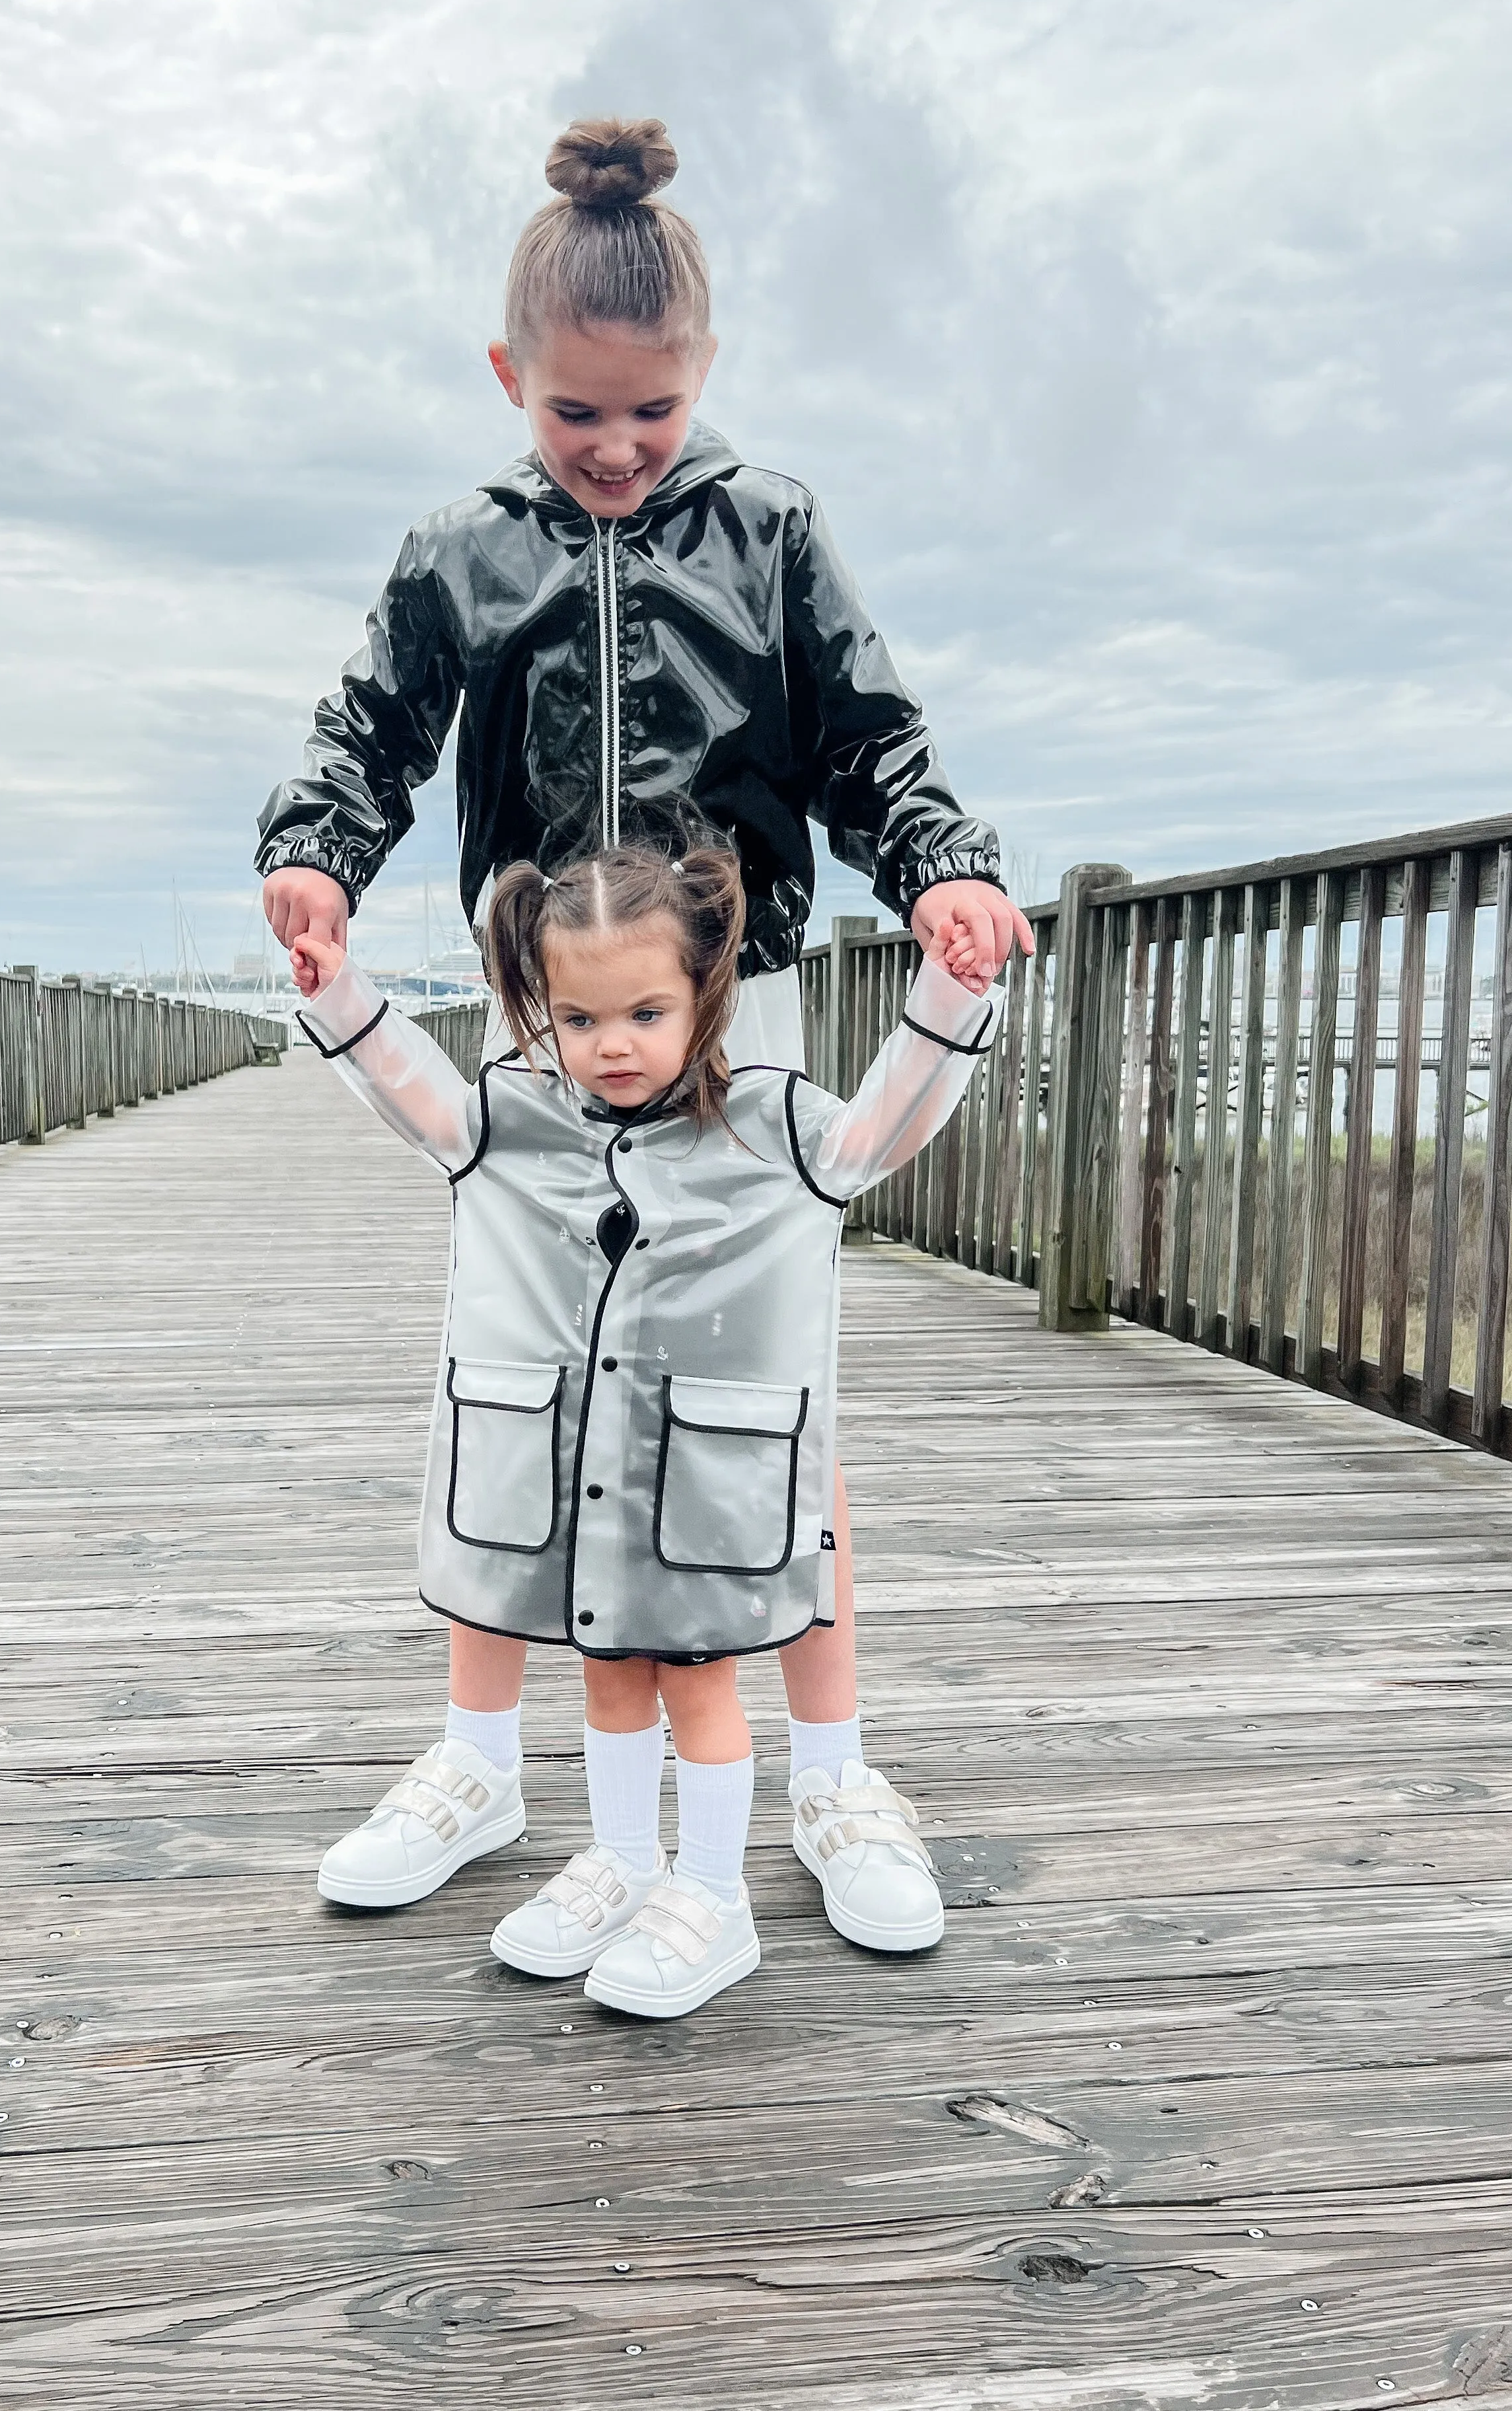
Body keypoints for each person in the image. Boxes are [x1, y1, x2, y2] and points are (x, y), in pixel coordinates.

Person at [258, 113, 1032, 1956]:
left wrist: (940, 868)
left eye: (650, 416)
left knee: (773, 1399)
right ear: (510, 376)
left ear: (702, 378)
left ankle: (829, 1767)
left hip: (728, 1001)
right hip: (538, 1016)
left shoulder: (769, 530)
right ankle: (479, 1755)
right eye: (573, 416)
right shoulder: (460, 551)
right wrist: (315, 857)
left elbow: (869, 741)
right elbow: (367, 729)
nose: (612, 452)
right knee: (514, 1383)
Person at [293, 840, 1001, 2015]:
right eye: (575, 1016)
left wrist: (950, 996)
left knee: (700, 1692)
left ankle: (712, 1897)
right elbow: (409, 1088)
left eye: (645, 1010)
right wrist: (338, 994)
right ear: (538, 1011)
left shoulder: (777, 1129)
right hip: (585, 1492)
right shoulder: (510, 1125)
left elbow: (886, 1126)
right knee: (609, 1685)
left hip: (704, 1489)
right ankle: (624, 1861)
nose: (609, 1043)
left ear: (708, 994)